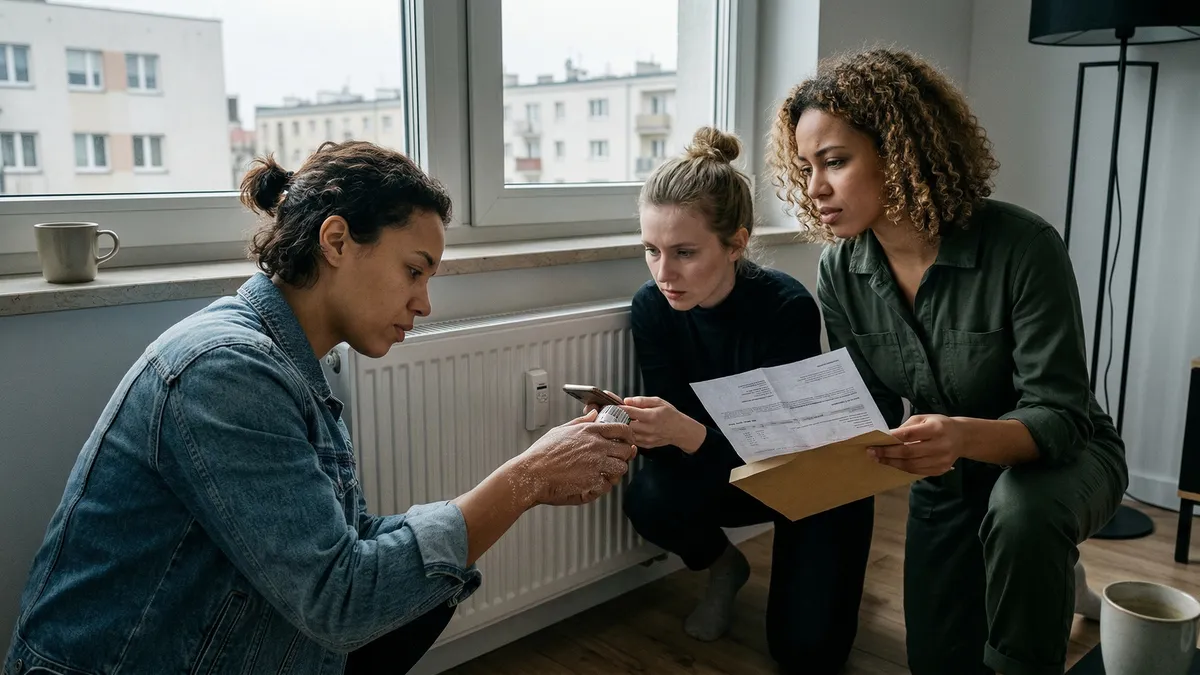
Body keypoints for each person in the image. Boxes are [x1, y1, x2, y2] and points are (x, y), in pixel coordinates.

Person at [4, 141, 636, 675]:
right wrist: (523, 481)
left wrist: (534, 479)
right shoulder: (225, 370)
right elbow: (342, 599)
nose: (425, 303)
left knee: (417, 595)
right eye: (414, 271)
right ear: (336, 240)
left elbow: (348, 549)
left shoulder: (297, 365)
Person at [766, 49, 1128, 675]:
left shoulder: (1024, 246)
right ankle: (1047, 573)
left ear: (902, 151)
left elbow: (1061, 416)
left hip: (1060, 455)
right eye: (806, 167)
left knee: (1022, 515)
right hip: (949, 470)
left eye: (835, 161)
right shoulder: (840, 270)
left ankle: (1040, 564)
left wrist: (959, 435)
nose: (815, 188)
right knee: (937, 660)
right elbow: (870, 401)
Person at [596, 126, 875, 674]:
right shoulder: (652, 308)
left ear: (736, 243)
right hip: (716, 466)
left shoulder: (784, 307)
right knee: (649, 499)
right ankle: (725, 568)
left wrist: (688, 433)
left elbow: (789, 452)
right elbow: (670, 452)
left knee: (807, 656)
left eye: (685, 253)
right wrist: (637, 427)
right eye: (651, 251)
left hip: (807, 476)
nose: (663, 272)